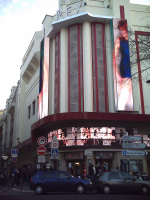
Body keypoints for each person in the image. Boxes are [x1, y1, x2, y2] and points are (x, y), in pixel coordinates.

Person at [113, 19, 133, 111]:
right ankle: (121, 109)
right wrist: (116, 73)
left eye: (123, 30)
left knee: (130, 91)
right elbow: (114, 56)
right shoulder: (119, 40)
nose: (122, 32)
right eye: (120, 30)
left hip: (133, 65)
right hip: (125, 66)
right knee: (126, 89)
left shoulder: (133, 39)